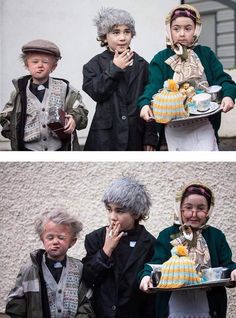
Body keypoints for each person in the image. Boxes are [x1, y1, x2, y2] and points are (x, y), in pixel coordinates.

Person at [138, 4, 236, 150]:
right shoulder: (160, 59)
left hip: (204, 122)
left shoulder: (206, 54)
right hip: (172, 126)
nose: (182, 34)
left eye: (188, 28)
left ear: (196, 30)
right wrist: (144, 103)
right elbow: (153, 86)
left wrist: (228, 95)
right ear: (169, 30)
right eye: (176, 29)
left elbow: (224, 80)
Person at [139, 182, 236, 318]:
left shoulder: (216, 236)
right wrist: (146, 276)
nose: (194, 214)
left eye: (201, 208)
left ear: (208, 210)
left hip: (208, 307)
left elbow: (227, 265)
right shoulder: (167, 235)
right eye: (188, 207)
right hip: (175, 308)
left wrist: (233, 271)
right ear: (180, 209)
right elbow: (156, 264)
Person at [82, 7, 158, 151]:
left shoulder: (143, 65)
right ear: (104, 36)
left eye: (127, 32)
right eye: (116, 32)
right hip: (105, 140)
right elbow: (97, 93)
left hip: (136, 137)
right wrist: (115, 68)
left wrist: (151, 137)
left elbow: (151, 101)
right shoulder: (93, 65)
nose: (122, 37)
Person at [82, 177, 156, 317]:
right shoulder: (96, 238)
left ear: (136, 213)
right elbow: (88, 278)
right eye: (109, 209)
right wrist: (106, 250)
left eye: (119, 211)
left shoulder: (150, 243)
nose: (112, 217)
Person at [0, 39, 88, 151]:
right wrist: (14, 132)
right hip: (28, 152)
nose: (40, 65)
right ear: (26, 65)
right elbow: (5, 116)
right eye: (35, 62)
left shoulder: (65, 89)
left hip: (59, 151)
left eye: (45, 62)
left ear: (54, 67)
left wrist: (74, 119)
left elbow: (81, 110)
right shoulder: (18, 93)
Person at [5, 209, 95, 318]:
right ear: (42, 239)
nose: (55, 241)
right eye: (50, 237)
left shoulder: (79, 268)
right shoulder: (30, 270)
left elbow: (86, 301)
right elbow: (16, 304)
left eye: (61, 237)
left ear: (72, 241)